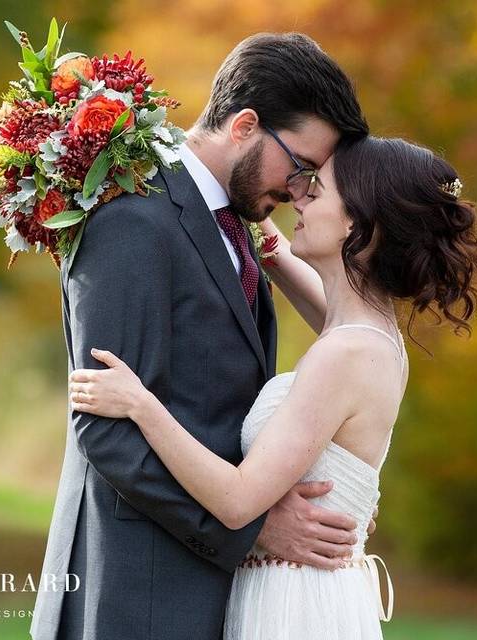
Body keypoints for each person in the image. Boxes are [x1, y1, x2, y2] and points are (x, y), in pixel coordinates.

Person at [69, 135, 477, 639]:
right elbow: (330, 300)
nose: (298, 197)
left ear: (356, 225)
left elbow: (236, 501)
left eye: (316, 192)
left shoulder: (345, 354)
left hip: (295, 607)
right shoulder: (370, 334)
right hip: (307, 590)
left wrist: (142, 405)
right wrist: (259, 231)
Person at [30, 33, 370, 640]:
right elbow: (105, 430)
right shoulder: (134, 218)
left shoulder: (236, 229)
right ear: (244, 126)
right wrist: (252, 526)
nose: (299, 194)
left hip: (210, 588)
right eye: (300, 170)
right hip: (137, 590)